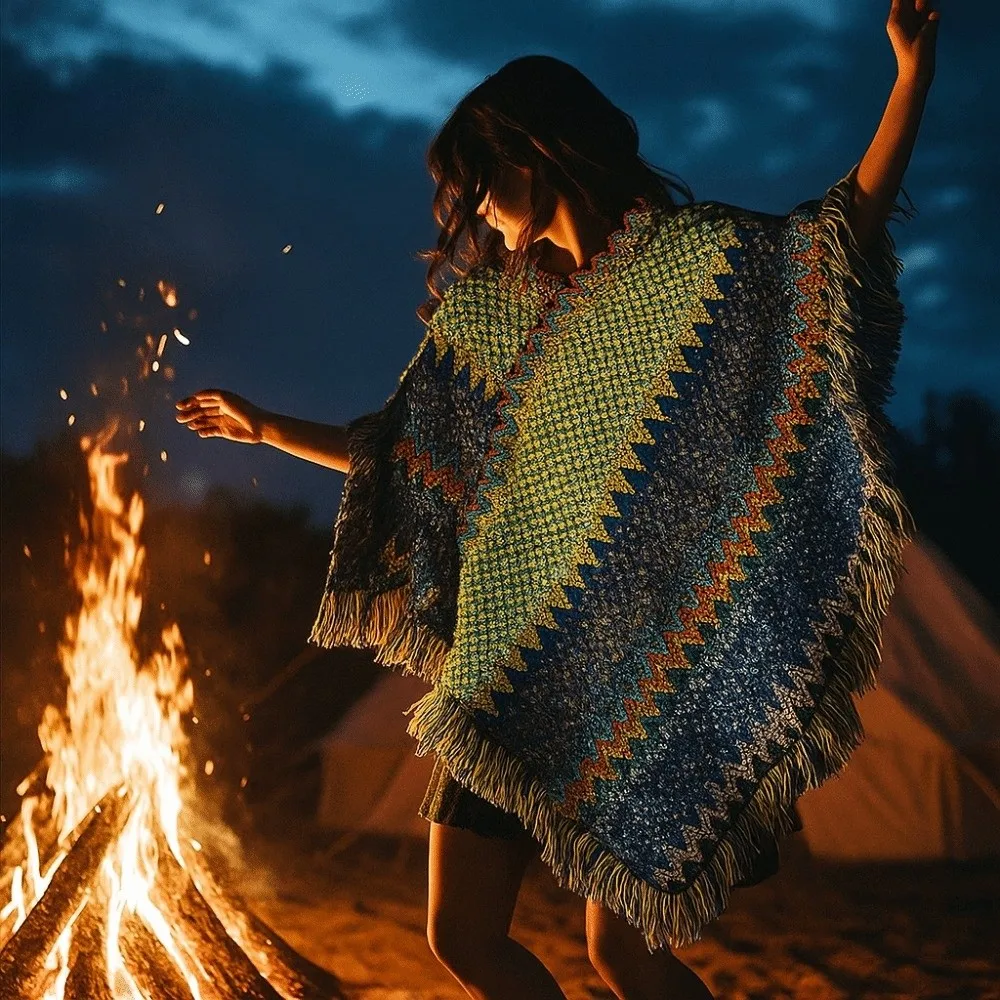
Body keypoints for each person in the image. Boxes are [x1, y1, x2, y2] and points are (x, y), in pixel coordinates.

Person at [177, 5, 938, 997]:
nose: (472, 212)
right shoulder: (490, 315)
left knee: (624, 951)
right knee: (461, 934)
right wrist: (268, 428)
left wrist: (910, 80)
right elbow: (406, 460)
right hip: (506, 668)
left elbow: (838, 237)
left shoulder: (697, 266)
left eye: (475, 184)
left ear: (531, 157)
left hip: (643, 671)